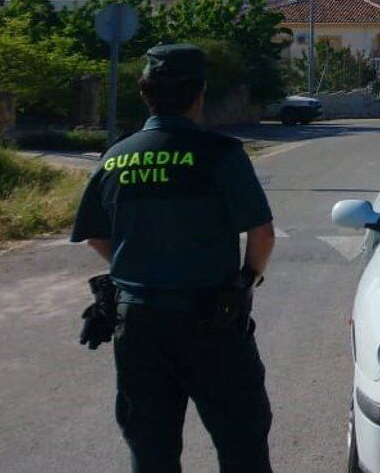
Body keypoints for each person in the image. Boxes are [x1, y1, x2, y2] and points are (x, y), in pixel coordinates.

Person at [72, 43, 277, 472]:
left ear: (145, 93)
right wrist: (246, 280)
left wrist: (136, 263)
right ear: (199, 94)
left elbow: (94, 234)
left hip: (139, 323)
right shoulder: (220, 155)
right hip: (212, 323)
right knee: (242, 441)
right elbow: (261, 233)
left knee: (151, 448)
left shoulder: (116, 157)